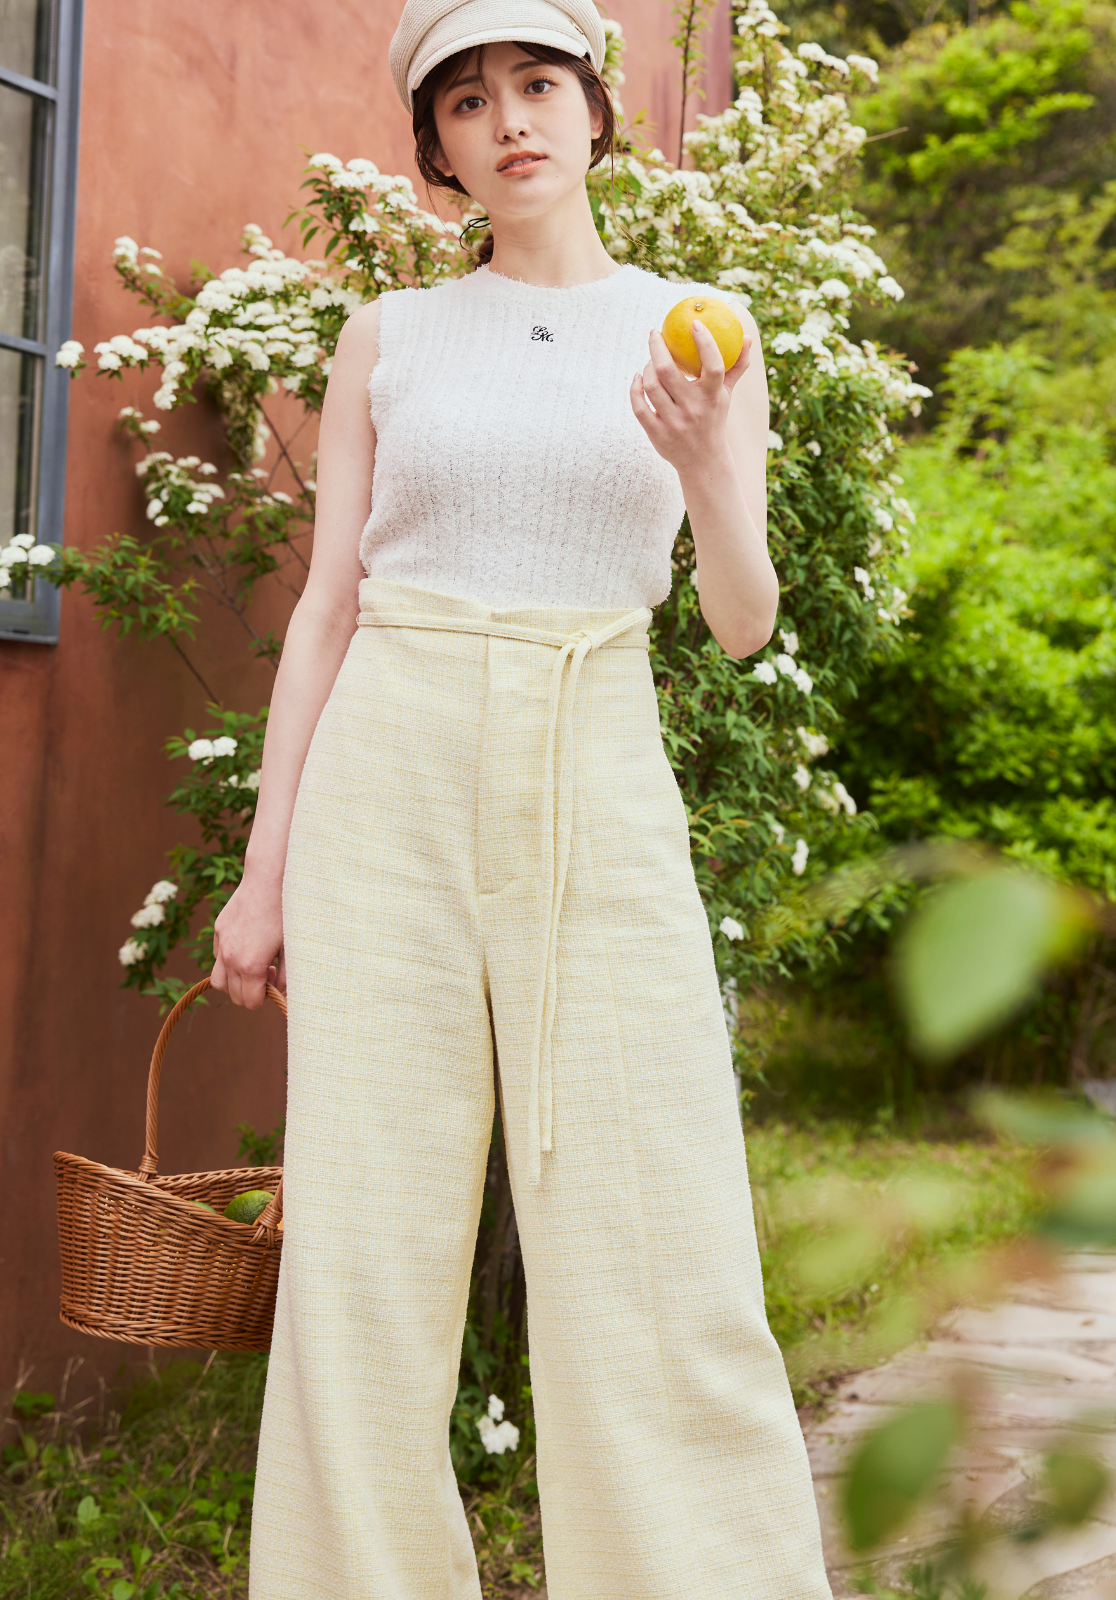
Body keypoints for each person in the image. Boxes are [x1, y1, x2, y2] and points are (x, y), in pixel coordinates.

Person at [212, 1, 832, 1594]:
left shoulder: (702, 324)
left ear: (593, 109)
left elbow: (744, 618)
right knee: (367, 1240)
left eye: (536, 85)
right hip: (390, 762)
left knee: (656, 1214)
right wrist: (263, 871)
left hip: (594, 743)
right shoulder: (389, 338)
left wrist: (706, 468)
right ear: (438, 148)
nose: (509, 120)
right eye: (468, 101)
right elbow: (327, 610)